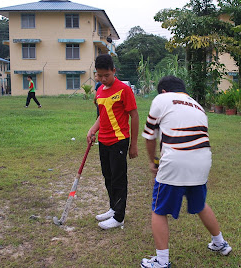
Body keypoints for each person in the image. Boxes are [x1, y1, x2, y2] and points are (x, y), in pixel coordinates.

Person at [141, 76, 232, 268]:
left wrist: (153, 162)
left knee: (159, 210)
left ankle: (161, 261)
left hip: (175, 161)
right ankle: (220, 243)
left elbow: (150, 136)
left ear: (164, 91)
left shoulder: (162, 99)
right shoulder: (197, 106)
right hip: (203, 160)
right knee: (200, 205)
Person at [87, 54, 139, 230]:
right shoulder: (100, 90)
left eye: (106, 75)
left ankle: (119, 216)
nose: (102, 79)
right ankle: (113, 208)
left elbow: (134, 115)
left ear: (114, 71)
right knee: (108, 176)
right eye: (99, 75)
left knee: (118, 178)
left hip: (119, 141)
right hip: (103, 141)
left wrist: (134, 144)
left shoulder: (124, 90)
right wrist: (93, 130)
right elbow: (103, 115)